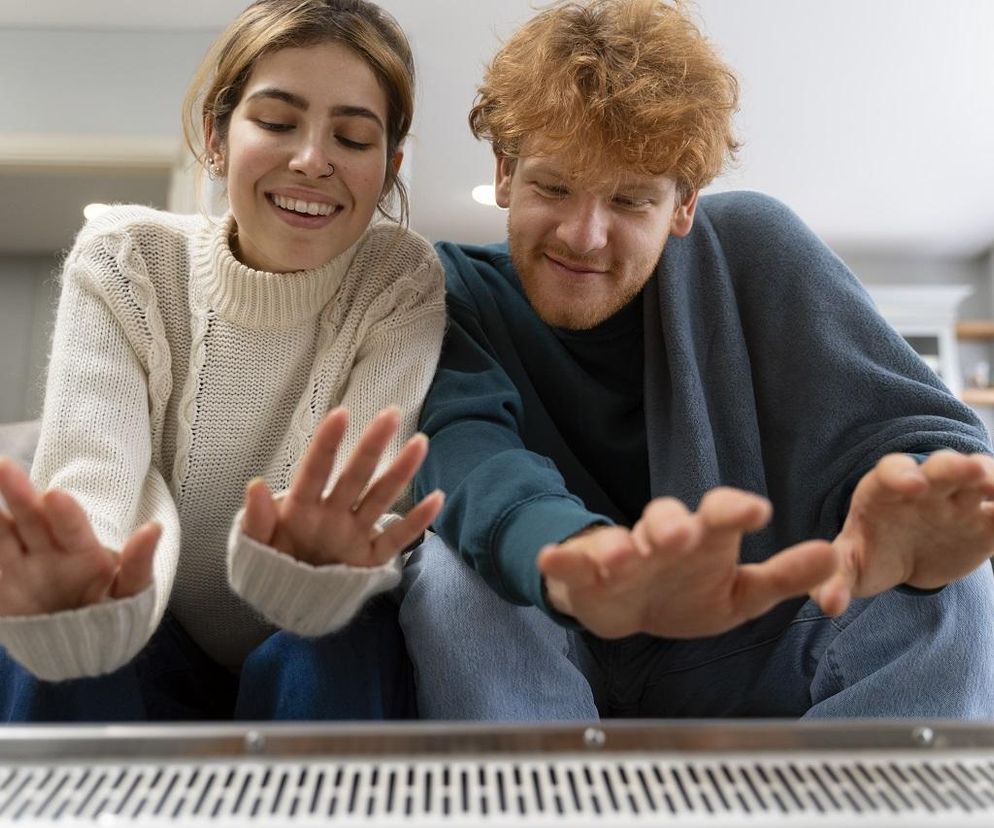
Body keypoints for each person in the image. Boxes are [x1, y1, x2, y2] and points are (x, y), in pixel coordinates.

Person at [401, 0, 994, 720]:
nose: (584, 236)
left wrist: (932, 498)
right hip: (556, 632)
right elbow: (466, 452)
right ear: (503, 174)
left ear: (683, 208)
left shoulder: (757, 248)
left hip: (748, 642)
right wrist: (584, 563)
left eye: (629, 200)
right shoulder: (444, 292)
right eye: (553, 187)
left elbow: (913, 434)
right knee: (449, 574)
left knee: (954, 589)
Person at [0, 0, 445, 722]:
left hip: (315, 634)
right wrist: (88, 589)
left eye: (354, 137)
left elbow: (353, 501)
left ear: (389, 167)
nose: (311, 159)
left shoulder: (399, 280)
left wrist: (312, 567)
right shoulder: (126, 259)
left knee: (339, 646)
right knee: (44, 637)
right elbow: (97, 476)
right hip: (152, 630)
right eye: (276, 122)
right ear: (216, 136)